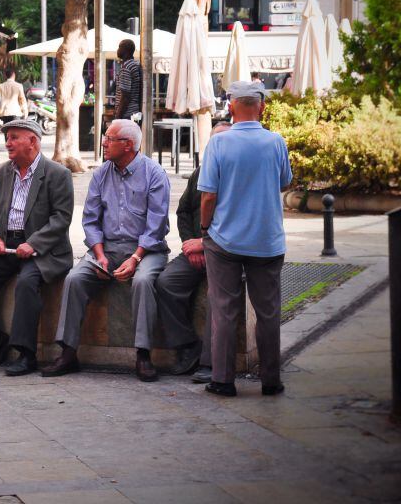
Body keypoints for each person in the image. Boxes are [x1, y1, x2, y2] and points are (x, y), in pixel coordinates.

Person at [42, 119, 170, 380]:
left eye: (109, 138)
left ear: (128, 145)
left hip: (146, 250)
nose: (103, 143)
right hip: (107, 248)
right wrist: (99, 256)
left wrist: (135, 258)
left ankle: (143, 355)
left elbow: (156, 226)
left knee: (143, 281)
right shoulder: (101, 173)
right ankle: (67, 352)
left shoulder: (155, 174)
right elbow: (90, 219)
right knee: (74, 279)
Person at [199, 81, 293, 397]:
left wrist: (204, 228)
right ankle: (270, 380)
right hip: (267, 241)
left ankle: (223, 380)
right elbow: (283, 183)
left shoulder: (219, 144)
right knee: (268, 313)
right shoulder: (276, 142)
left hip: (225, 240)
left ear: (232, 105)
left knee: (224, 311)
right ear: (262, 106)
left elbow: (208, 195)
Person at [0, 120, 74, 376]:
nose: (8, 143)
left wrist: (33, 243)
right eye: (7, 138)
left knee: (27, 283)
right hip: (7, 245)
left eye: (14, 137)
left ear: (32, 141)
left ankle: (26, 353)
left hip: (44, 250)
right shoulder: (4, 171)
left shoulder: (58, 174)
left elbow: (61, 218)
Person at [155, 121, 233, 385]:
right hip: (196, 249)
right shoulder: (200, 172)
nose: (217, 146)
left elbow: (236, 219)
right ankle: (187, 345)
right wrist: (190, 243)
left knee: (215, 297)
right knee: (166, 282)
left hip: (226, 252)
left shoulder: (236, 174)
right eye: (214, 141)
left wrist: (205, 242)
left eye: (223, 140)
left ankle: (211, 363)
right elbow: (183, 211)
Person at [113, 40, 141, 121]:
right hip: (134, 113)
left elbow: (125, 96)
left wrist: (118, 116)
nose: (117, 50)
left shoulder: (126, 68)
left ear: (126, 50)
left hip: (126, 114)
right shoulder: (135, 64)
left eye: (119, 47)